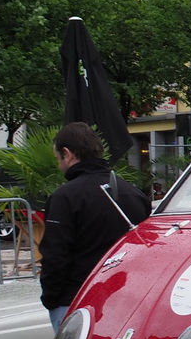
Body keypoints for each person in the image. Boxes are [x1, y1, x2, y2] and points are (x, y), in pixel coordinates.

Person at [40, 124, 152, 328]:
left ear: (67, 154)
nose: (59, 165)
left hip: (77, 299)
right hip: (125, 297)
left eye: (58, 159)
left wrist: (50, 299)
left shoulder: (65, 197)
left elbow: (55, 256)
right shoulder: (134, 193)